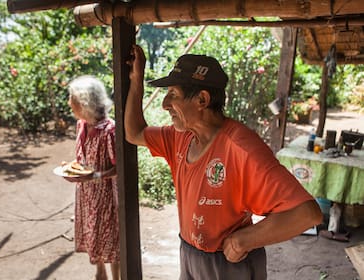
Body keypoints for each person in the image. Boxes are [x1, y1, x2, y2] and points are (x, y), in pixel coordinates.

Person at [125, 45, 322, 279]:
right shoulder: (179, 137)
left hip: (227, 265)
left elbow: (307, 213)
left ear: (202, 99)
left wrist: (244, 240)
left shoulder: (241, 147)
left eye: (173, 95)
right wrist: (136, 79)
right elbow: (134, 132)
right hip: (189, 252)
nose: (165, 104)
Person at [64, 75, 120, 280]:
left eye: (73, 98)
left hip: (105, 197)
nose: (70, 103)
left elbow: (119, 168)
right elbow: (83, 158)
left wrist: (95, 176)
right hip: (87, 194)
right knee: (91, 234)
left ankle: (116, 277)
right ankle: (100, 273)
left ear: (85, 102)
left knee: (111, 240)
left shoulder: (109, 131)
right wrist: (74, 170)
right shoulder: (81, 125)